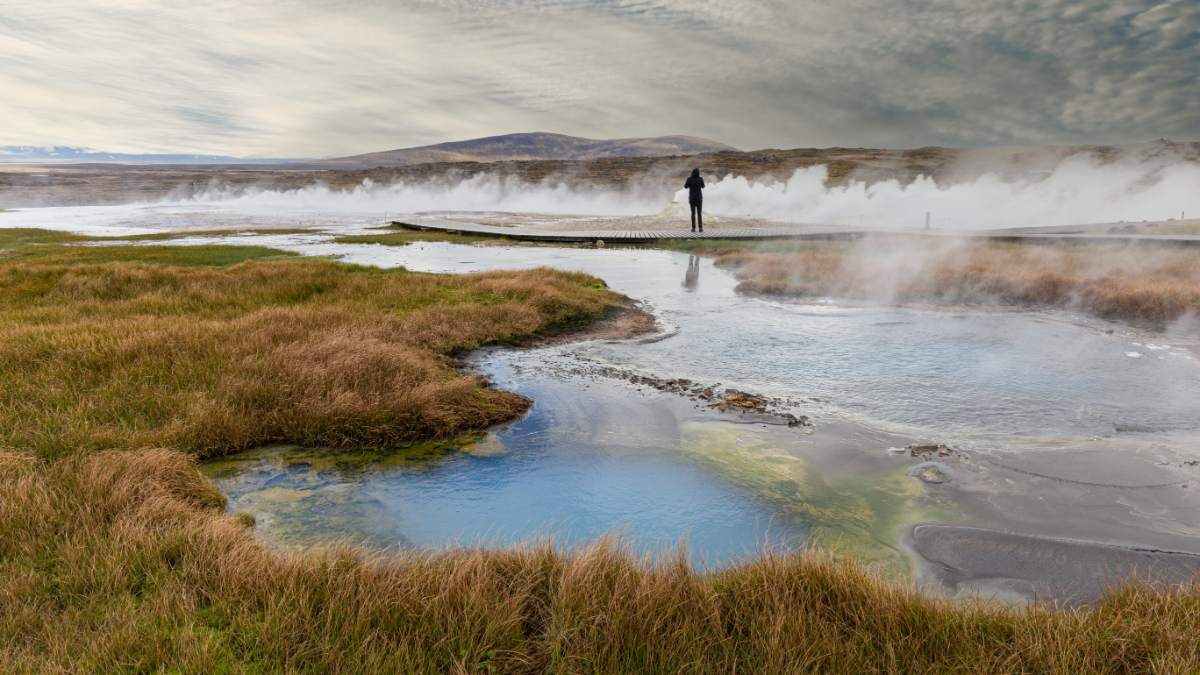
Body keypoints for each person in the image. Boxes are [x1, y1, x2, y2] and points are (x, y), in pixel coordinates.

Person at [684, 168, 705, 233]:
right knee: (699, 214)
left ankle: (693, 228)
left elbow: (685, 187)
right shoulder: (700, 179)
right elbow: (703, 186)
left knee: (693, 214)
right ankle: (700, 228)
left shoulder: (689, 179)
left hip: (692, 199)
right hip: (699, 198)